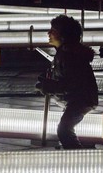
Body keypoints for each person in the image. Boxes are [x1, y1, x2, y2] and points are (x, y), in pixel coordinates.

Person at [36, 15, 98, 149]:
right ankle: (80, 150)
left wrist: (49, 86)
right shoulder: (63, 54)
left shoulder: (69, 56)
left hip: (81, 100)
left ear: (63, 36)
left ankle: (77, 158)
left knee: (64, 130)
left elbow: (71, 83)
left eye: (53, 30)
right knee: (66, 127)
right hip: (77, 99)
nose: (49, 33)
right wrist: (48, 80)